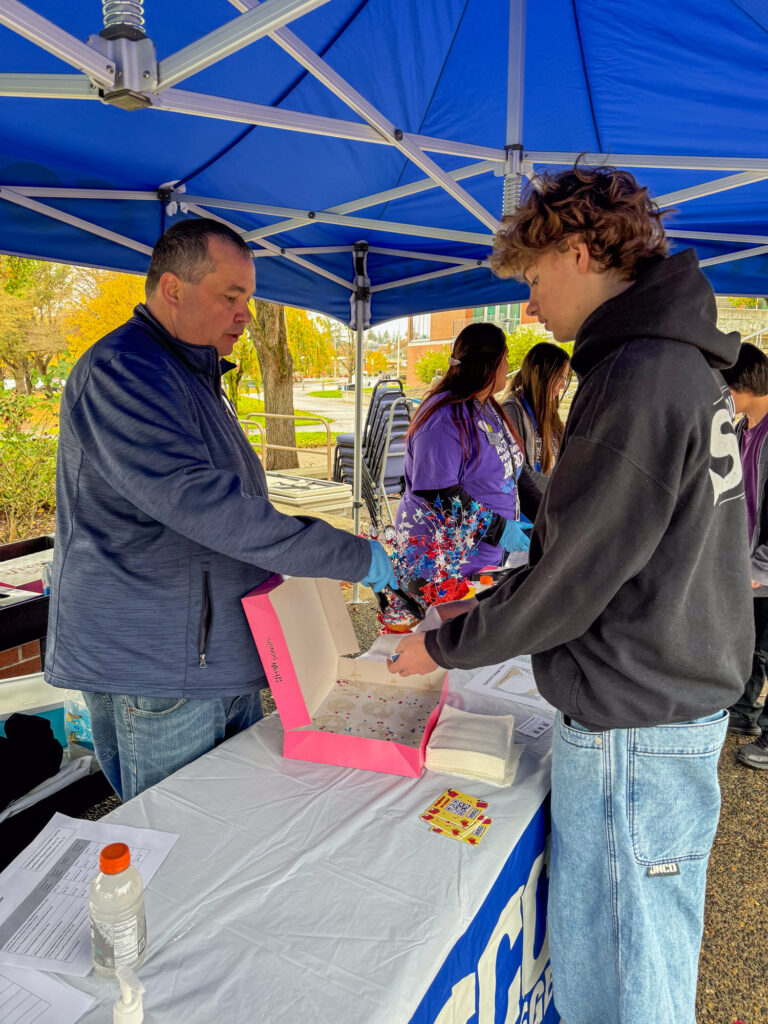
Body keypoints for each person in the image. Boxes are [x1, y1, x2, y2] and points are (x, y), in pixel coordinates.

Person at [389, 164, 752, 1024]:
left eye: (535, 277)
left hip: (638, 724)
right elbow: (593, 549)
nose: (530, 305)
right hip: (662, 704)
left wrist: (441, 643)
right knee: (630, 956)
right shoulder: (676, 366)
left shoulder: (639, 378)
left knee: (629, 980)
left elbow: (568, 580)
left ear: (582, 253)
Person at [45, 219, 396, 802]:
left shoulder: (191, 373)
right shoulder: (125, 372)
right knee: (181, 836)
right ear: (173, 290)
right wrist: (345, 553)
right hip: (159, 661)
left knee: (226, 817)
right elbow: (207, 507)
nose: (245, 315)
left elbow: (236, 503)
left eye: (249, 299)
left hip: (208, 649)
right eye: (231, 297)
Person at [395, 322, 543, 586]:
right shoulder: (443, 419)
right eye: (506, 358)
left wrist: (547, 517)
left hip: (482, 558)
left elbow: (515, 472)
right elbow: (438, 493)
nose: (509, 368)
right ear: (490, 364)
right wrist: (498, 529)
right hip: (440, 566)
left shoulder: (487, 407)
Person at [721, 342, 768, 769]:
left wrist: (761, 566)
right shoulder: (740, 429)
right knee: (749, 643)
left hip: (763, 566)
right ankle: (743, 711)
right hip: (745, 560)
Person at [502, 341, 571, 473]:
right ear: (538, 372)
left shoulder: (549, 412)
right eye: (559, 377)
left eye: (565, 379)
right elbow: (521, 472)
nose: (563, 385)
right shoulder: (512, 410)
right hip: (540, 492)